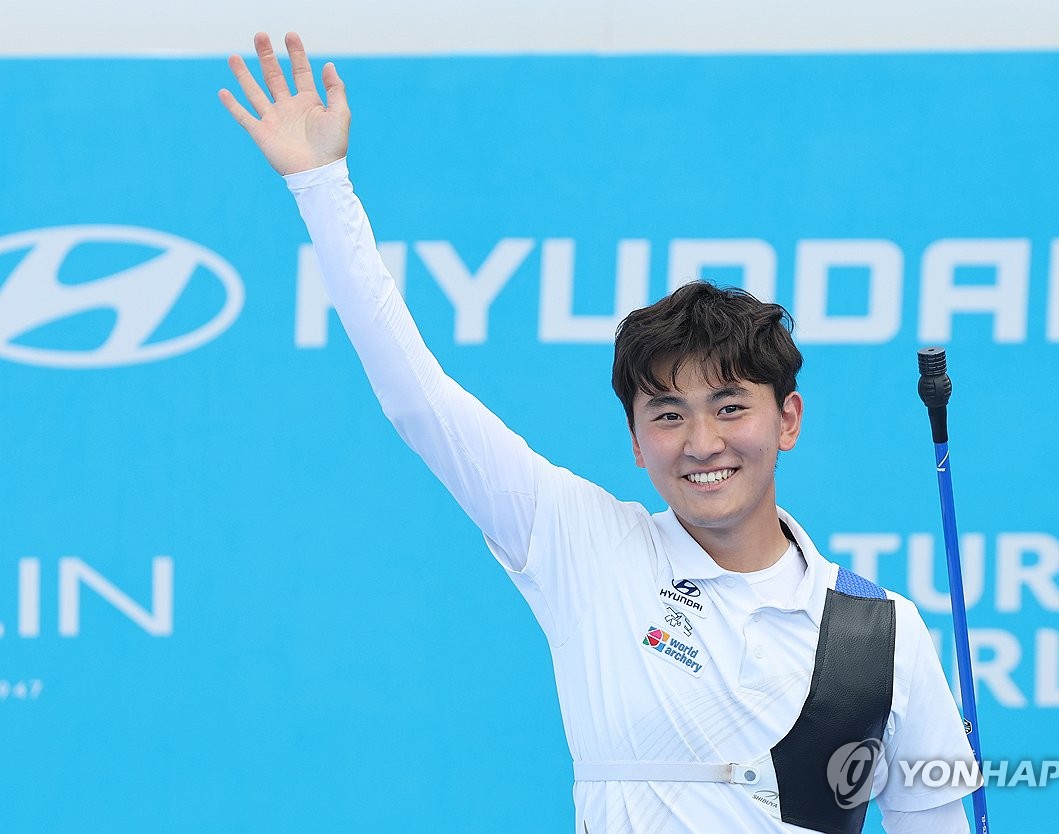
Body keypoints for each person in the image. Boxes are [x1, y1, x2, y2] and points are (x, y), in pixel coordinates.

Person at [220, 32, 980, 834]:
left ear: (787, 419)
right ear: (635, 442)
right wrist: (321, 184)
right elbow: (418, 400)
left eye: (730, 408)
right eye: (668, 415)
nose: (702, 442)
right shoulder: (586, 547)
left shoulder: (882, 632)